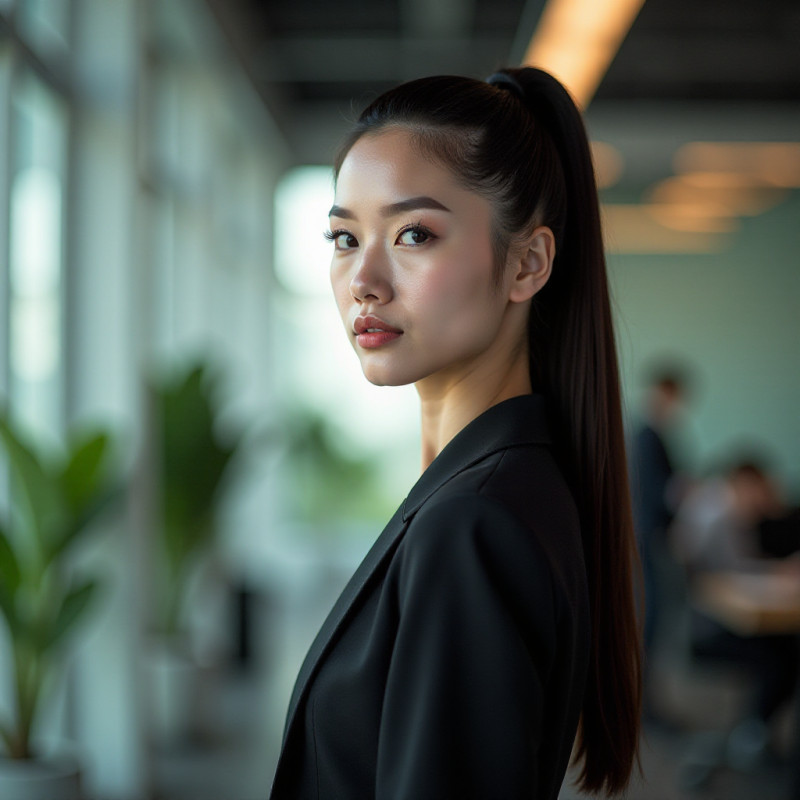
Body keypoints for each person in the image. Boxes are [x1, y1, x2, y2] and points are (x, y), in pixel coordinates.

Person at [270, 67, 641, 799]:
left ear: (527, 263)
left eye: (414, 233)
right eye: (344, 237)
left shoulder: (474, 522)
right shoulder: (505, 487)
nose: (364, 280)